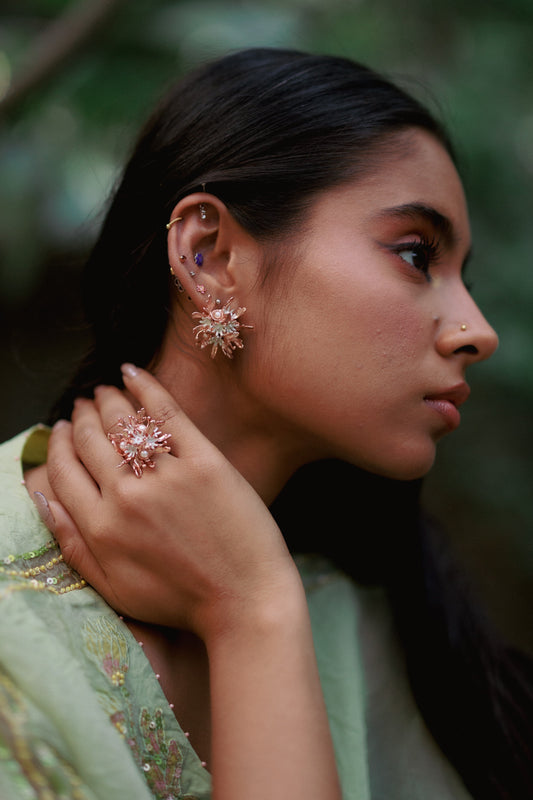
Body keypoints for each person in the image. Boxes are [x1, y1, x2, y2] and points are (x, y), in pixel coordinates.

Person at [0, 47, 531, 800]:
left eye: (462, 279)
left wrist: (252, 608)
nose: (478, 331)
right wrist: (251, 608)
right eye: (416, 255)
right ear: (209, 257)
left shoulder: (365, 615)